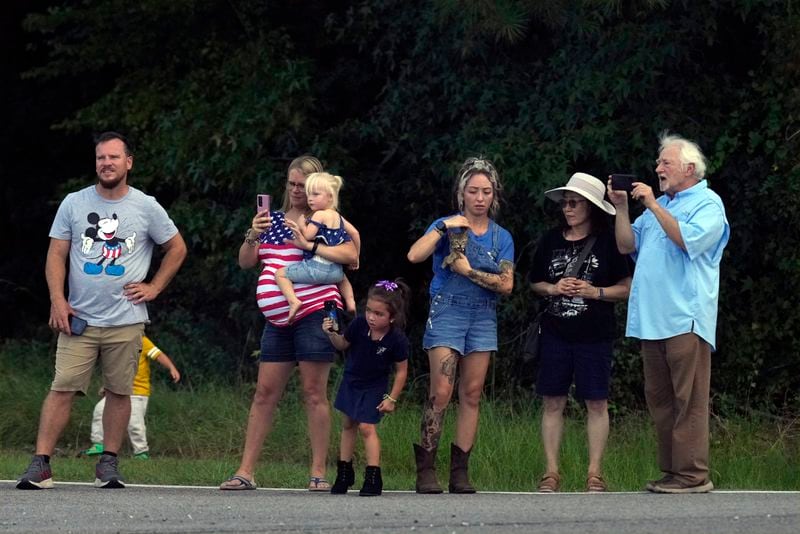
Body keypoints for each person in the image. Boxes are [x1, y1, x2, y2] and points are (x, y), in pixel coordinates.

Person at [16, 131, 187, 490]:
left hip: (126, 319)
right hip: (79, 317)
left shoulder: (146, 206)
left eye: (113, 157)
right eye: (100, 158)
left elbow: (176, 248)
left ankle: (108, 464)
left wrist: (155, 286)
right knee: (62, 387)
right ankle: (41, 464)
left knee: (119, 391)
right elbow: (56, 254)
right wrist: (57, 299)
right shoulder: (74, 203)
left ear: (129, 162)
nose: (106, 164)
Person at [219, 155, 358, 492]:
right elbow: (245, 261)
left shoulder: (325, 219)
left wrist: (310, 244)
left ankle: (318, 472)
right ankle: (245, 471)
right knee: (265, 392)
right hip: (278, 318)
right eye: (292, 184)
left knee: (313, 392)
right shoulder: (274, 220)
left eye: (304, 185)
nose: (297, 190)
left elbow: (352, 257)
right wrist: (253, 233)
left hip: (314, 310)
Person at [608, 133, 729, 494]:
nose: (658, 168)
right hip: (652, 320)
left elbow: (686, 240)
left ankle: (693, 475)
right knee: (660, 399)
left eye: (666, 163)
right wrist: (622, 208)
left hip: (684, 319)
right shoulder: (662, 204)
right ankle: (674, 472)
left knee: (687, 399)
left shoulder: (708, 204)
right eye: (658, 162)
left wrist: (652, 205)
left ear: (689, 169)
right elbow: (627, 244)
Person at [407, 157, 514, 494]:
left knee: (471, 393)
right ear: (462, 193)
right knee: (442, 391)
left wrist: (468, 271)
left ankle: (460, 471)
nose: (480, 198)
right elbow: (414, 256)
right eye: (473, 191)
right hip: (448, 310)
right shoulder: (447, 224)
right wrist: (441, 228)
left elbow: (507, 284)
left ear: (494, 195)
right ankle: (426, 468)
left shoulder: (501, 237)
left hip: (483, 314)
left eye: (486, 191)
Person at [529, 172, 632, 493]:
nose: (567, 208)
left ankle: (595, 473)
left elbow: (627, 287)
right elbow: (534, 282)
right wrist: (554, 287)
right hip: (556, 332)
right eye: (565, 203)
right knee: (552, 401)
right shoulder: (549, 239)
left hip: (595, 334)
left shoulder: (609, 242)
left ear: (591, 206)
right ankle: (550, 471)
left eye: (574, 203)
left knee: (597, 403)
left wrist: (594, 292)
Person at [325, 279, 410, 497]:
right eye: (369, 311)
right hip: (352, 380)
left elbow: (401, 371)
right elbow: (342, 344)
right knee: (348, 423)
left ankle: (373, 476)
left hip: (375, 385)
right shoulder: (359, 325)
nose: (371, 317)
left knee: (366, 427)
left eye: (379, 314)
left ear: (392, 317)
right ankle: (344, 472)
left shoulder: (397, 339)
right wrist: (331, 333)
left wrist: (392, 398)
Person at [274, 171, 360, 323]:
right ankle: (351, 302)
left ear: (330, 197)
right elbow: (355, 233)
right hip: (335, 271)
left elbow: (307, 236)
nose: (310, 199)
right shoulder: (339, 217)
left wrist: (301, 223)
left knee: (280, 274)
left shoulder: (319, 215)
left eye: (315, 194)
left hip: (315, 268)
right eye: (309, 194)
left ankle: (293, 301)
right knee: (343, 280)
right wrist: (356, 258)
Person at [83, 335, 181, 459]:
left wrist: (172, 368)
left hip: (137, 392)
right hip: (117, 391)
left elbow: (158, 355)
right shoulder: (116, 342)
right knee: (99, 411)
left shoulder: (142, 341)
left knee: (135, 423)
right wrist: (106, 386)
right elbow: (114, 370)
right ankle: (99, 444)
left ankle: (141, 452)